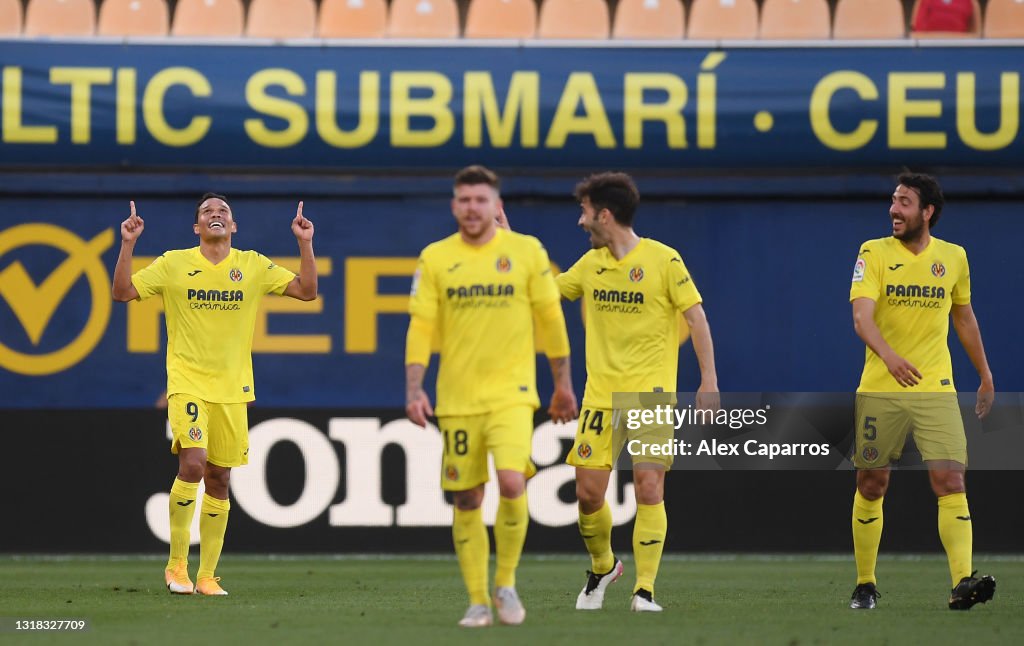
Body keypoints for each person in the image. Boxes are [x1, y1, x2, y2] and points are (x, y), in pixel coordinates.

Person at [112, 194, 317, 596]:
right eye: (207, 212)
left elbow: (307, 291)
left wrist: (305, 243)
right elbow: (122, 292)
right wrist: (128, 244)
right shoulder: (174, 263)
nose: (216, 215)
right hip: (187, 381)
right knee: (193, 463)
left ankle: (206, 575)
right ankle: (176, 566)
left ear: (234, 226)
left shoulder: (253, 265)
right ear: (197, 228)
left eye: (223, 211)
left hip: (233, 388)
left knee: (220, 478)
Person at [405, 165, 577, 628]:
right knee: (465, 499)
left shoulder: (525, 252)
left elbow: (551, 320)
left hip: (513, 395)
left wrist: (562, 385)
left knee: (512, 483)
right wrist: (414, 389)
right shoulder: (436, 258)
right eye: (464, 200)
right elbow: (421, 327)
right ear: (454, 205)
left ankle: (505, 582)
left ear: (495, 205)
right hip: (457, 399)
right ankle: (478, 599)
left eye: (481, 200)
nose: (472, 208)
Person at [550, 172, 719, 613]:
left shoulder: (664, 261)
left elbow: (697, 319)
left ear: (604, 215)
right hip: (599, 398)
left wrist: (708, 382)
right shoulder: (589, 266)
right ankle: (604, 565)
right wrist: (511, 250)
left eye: (585, 212)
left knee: (648, 486)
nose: (580, 221)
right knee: (588, 494)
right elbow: (546, 295)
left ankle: (644, 590)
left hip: (649, 397)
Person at [848, 172, 995, 610]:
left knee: (951, 479)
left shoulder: (954, 257)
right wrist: (890, 358)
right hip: (880, 388)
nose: (894, 209)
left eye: (905, 202)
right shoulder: (872, 253)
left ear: (927, 211)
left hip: (936, 387)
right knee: (872, 483)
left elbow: (963, 318)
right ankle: (865, 583)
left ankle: (961, 584)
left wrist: (985, 374)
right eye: (893, 200)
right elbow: (861, 318)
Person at [910, 0, 981, 37]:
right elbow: (917, 31)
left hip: (959, 49)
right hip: (928, 48)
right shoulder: (924, 1)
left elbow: (974, 33)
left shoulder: (969, 2)